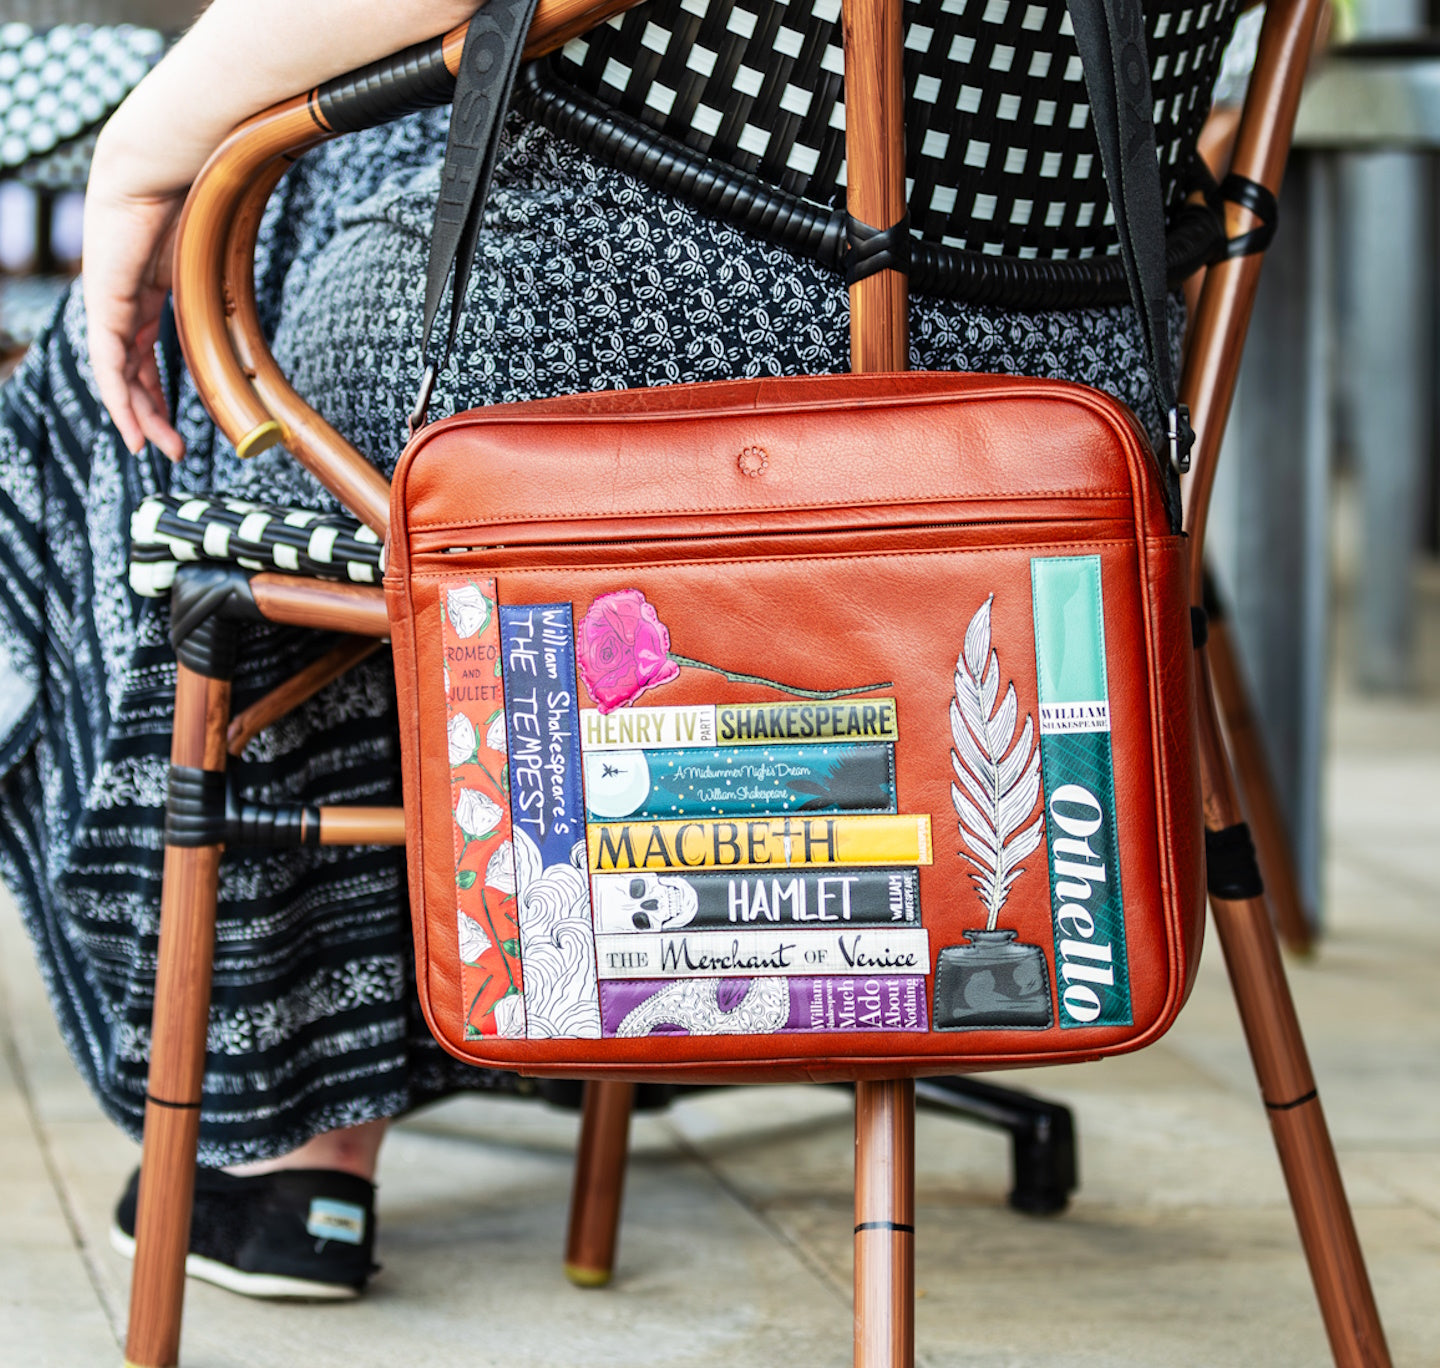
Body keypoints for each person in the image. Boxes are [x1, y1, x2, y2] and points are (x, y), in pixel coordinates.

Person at [0, 0, 1237, 1300]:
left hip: (635, 337)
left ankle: (289, 1134)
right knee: (359, 188)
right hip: (1069, 362)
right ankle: (436, 1042)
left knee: (222, 311)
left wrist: (143, 143)